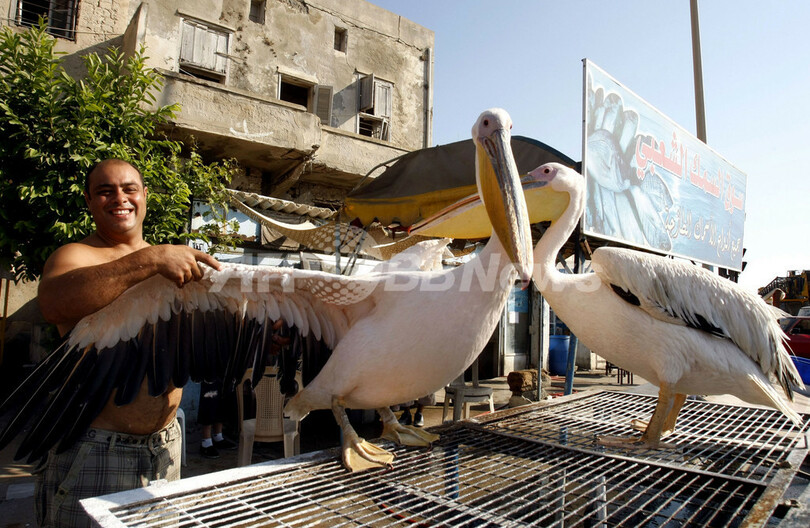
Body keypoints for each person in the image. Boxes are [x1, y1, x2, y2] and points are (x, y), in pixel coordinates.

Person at [35, 159, 221, 528]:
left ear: (144, 195)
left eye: (128, 188)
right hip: (96, 449)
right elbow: (54, 303)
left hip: (166, 448)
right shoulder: (76, 256)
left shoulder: (174, 265)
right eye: (105, 191)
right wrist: (150, 258)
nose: (119, 198)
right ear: (89, 201)